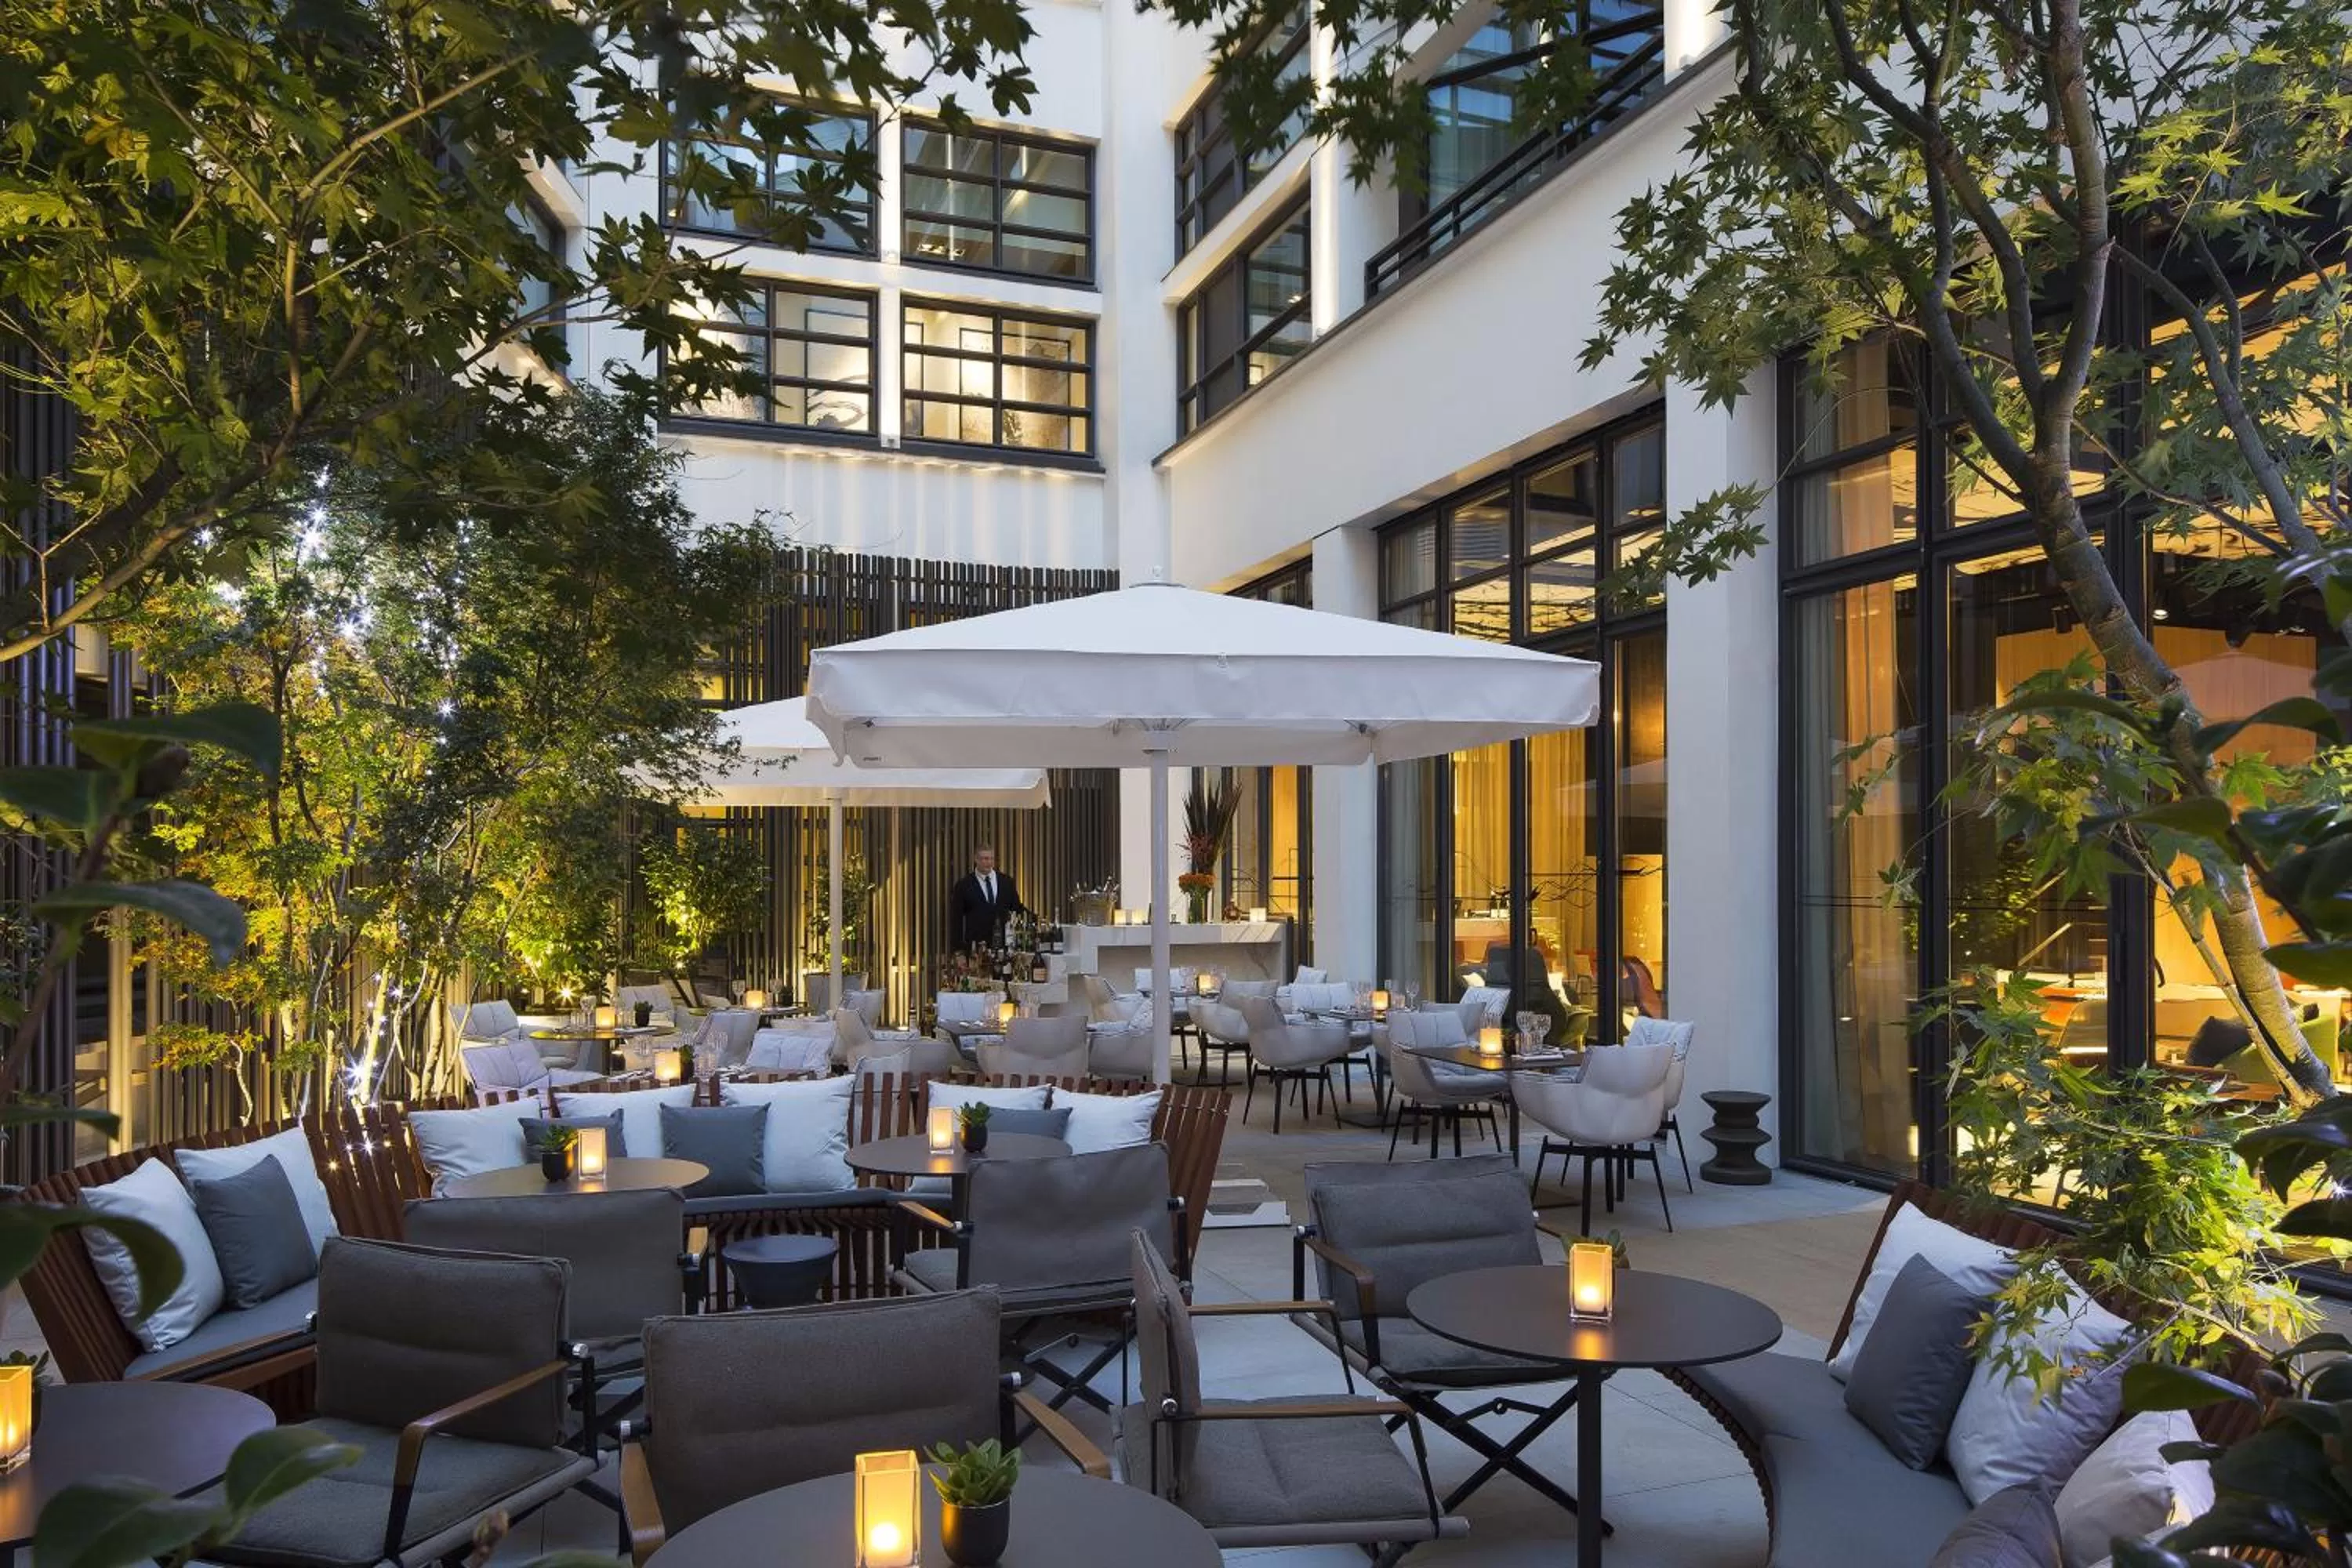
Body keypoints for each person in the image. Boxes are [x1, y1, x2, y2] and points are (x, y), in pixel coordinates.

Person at [949, 844, 1024, 950]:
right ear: (976, 859)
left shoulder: (1006, 882)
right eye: (985, 859)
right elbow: (956, 921)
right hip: (975, 948)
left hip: (1004, 946)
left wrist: (1039, 919)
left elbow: (1017, 908)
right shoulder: (964, 885)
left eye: (991, 859)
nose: (988, 862)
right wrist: (958, 952)